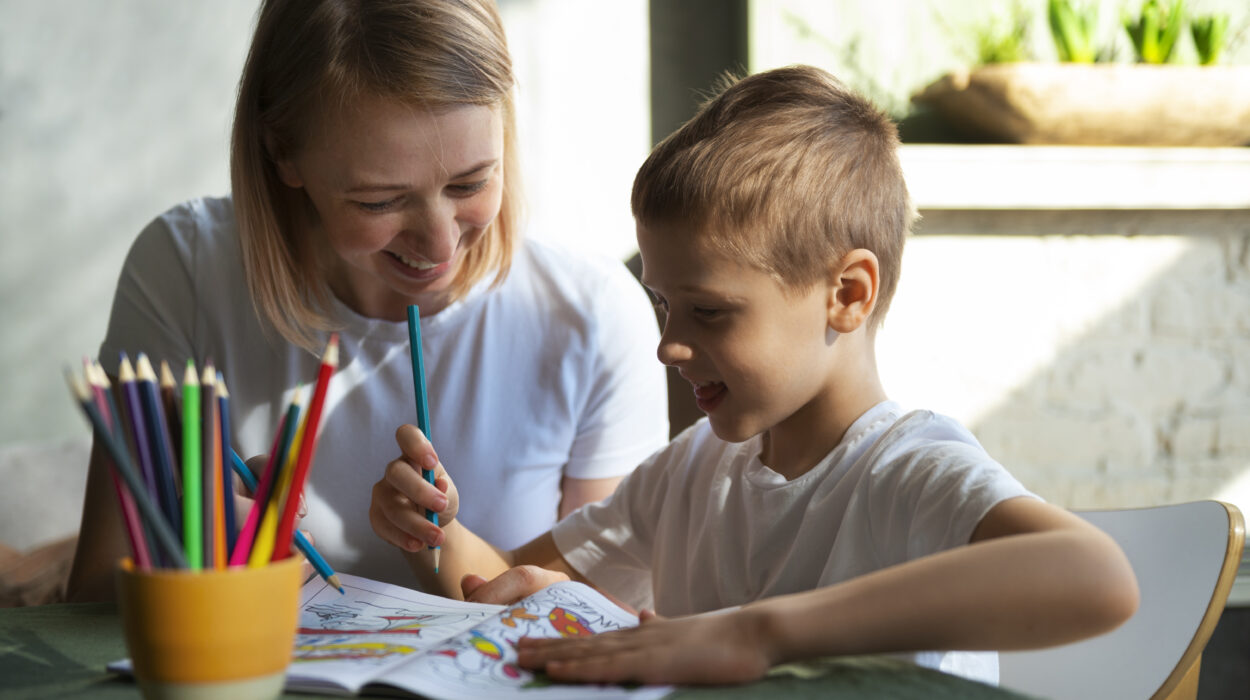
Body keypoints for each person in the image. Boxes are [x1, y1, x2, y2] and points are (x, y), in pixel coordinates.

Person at [368, 65, 1140, 686]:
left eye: (708, 312)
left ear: (846, 295)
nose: (669, 344)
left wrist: (753, 633)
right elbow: (505, 577)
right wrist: (433, 532)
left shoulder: (909, 472)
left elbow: (1097, 577)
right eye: (663, 304)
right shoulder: (690, 471)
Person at [66, 0, 668, 601]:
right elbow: (92, 598)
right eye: (379, 201)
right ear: (281, 151)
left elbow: (613, 615)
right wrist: (198, 561)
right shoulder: (186, 269)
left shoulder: (592, 312)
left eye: (471, 181)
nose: (439, 243)